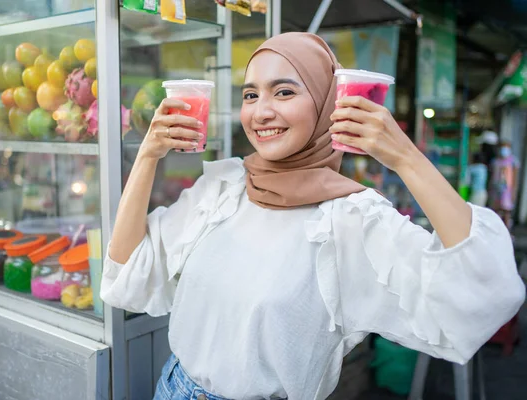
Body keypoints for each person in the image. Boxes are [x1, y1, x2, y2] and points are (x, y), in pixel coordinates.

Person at [101, 33, 525, 400]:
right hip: (172, 388)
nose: (261, 112)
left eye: (284, 92)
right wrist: (147, 157)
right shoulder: (224, 187)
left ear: (328, 102)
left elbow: (482, 289)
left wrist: (404, 156)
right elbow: (126, 275)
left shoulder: (351, 219)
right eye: (251, 95)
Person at [490, 141, 520, 228]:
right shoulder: (495, 161)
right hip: (496, 188)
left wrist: (514, 190)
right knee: (496, 210)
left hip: (507, 190)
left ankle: (507, 231)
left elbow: (515, 178)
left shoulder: (513, 161)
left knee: (506, 211)